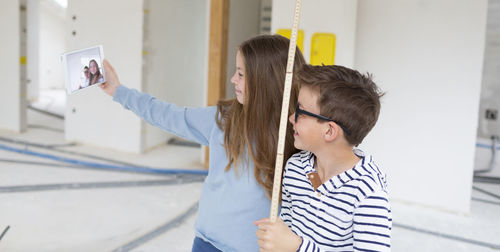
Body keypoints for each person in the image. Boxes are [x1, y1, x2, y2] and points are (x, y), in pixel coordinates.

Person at [99, 35, 306, 251]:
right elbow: (167, 114)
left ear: (266, 81)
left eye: (241, 74)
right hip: (206, 244)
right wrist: (118, 91)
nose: (233, 79)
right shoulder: (223, 120)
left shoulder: (297, 136)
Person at [255, 64, 391, 251]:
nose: (291, 118)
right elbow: (288, 223)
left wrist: (297, 247)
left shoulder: (368, 192)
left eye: (300, 112)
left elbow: (294, 244)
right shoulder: (296, 167)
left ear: (329, 131)